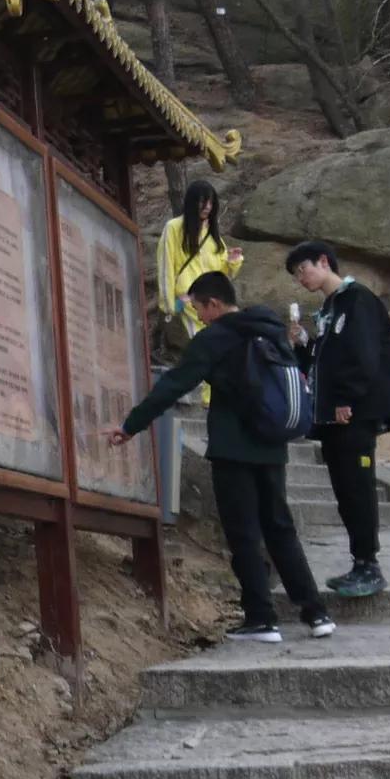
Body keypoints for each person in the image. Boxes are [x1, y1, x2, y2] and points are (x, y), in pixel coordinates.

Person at [110, 272, 335, 642]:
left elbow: (174, 384)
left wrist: (131, 425)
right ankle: (316, 614)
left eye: (199, 309)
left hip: (233, 449)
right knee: (280, 529)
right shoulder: (270, 330)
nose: (199, 317)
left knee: (243, 533)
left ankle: (261, 618)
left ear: (213, 304)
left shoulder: (214, 338)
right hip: (272, 445)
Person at [286, 241, 390, 598]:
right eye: (297, 276)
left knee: (358, 486)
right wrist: (304, 343)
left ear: (324, 262)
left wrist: (346, 397)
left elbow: (363, 355)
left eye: (303, 270)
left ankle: (369, 564)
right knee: (344, 489)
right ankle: (359, 562)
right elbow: (326, 359)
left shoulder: (358, 300)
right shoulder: (330, 308)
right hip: (332, 417)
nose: (302, 279)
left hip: (355, 413)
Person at [155, 180, 246, 342]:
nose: (207, 207)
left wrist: (232, 262)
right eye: (203, 201)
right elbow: (165, 268)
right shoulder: (174, 228)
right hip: (191, 305)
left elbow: (221, 276)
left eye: (211, 202)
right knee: (203, 345)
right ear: (192, 202)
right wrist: (171, 306)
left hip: (214, 305)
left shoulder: (212, 235)